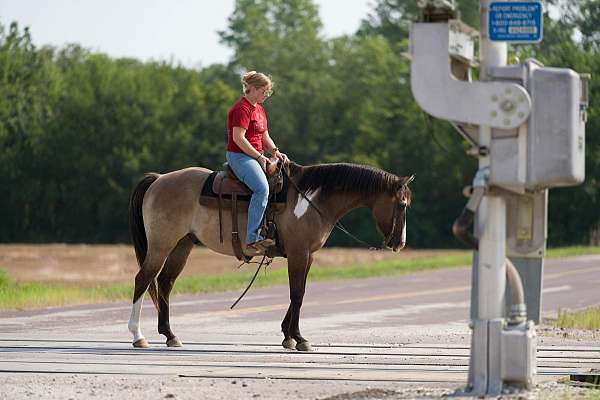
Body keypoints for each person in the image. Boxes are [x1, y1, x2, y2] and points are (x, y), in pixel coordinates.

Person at [226, 71, 288, 251]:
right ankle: (252, 238)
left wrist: (276, 152)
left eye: (268, 92)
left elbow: (264, 136)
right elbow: (239, 138)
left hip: (255, 155)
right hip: (240, 156)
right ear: (252, 89)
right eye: (264, 91)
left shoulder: (259, 109)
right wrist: (260, 157)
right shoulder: (241, 109)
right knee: (262, 189)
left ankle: (271, 231)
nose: (266, 96)